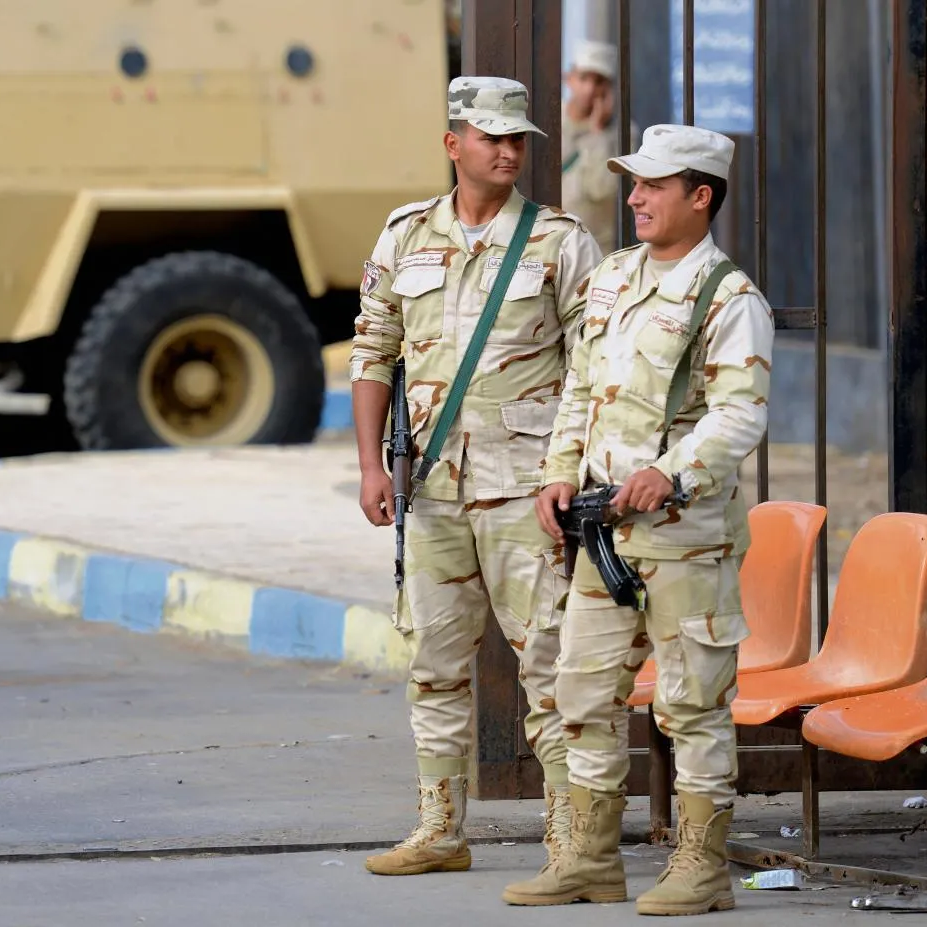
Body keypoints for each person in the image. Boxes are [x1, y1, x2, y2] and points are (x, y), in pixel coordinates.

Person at [500, 124, 774, 915]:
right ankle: (588, 859)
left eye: (654, 185)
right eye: (635, 183)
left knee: (691, 704)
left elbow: (739, 415)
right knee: (580, 693)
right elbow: (580, 391)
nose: (635, 197)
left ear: (701, 196)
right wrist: (558, 475)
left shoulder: (730, 298)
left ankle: (701, 866)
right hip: (601, 535)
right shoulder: (615, 278)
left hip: (685, 540)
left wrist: (670, 471)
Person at [349, 75, 603, 877]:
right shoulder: (404, 236)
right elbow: (372, 349)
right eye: (491, 136)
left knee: (552, 665)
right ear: (453, 142)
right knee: (432, 663)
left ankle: (572, 836)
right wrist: (369, 466)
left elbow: (593, 367)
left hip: (527, 486)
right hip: (431, 487)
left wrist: (568, 470)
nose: (507, 150)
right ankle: (440, 828)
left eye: (517, 137)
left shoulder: (559, 241)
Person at [562, 39, 622, 254]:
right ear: (569, 79)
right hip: (549, 243)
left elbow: (601, 189)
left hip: (594, 248)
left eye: (599, 82)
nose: (590, 89)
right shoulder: (551, 120)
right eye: (584, 78)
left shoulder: (621, 133)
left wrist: (597, 132)